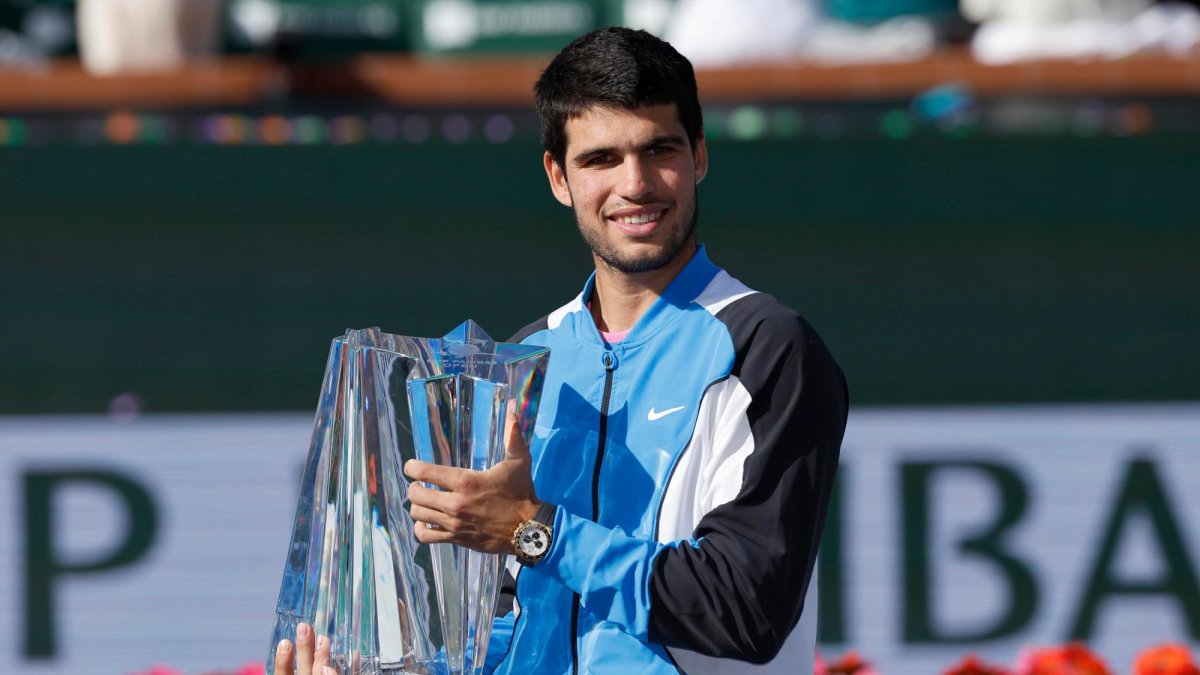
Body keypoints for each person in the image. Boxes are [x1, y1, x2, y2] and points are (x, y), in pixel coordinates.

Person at [275, 26, 847, 675]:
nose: (635, 184)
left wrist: (532, 529)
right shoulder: (527, 355)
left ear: (699, 158)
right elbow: (511, 621)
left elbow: (746, 607)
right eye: (601, 159)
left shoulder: (767, 346)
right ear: (558, 176)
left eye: (659, 149)